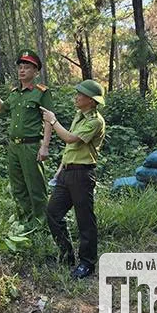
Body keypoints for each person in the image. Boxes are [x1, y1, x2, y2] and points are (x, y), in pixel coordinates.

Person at [39, 79, 106, 279]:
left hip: (82, 174)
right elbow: (70, 149)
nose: (76, 97)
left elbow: (69, 139)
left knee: (85, 219)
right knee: (53, 212)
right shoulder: (79, 115)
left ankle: (87, 263)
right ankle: (66, 254)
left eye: (81, 95)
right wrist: (61, 169)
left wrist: (53, 120)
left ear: (92, 101)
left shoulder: (95, 121)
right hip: (67, 172)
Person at [0, 49, 53, 223]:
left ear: (36, 72)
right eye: (20, 67)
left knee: (35, 186)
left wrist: (44, 146)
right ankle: (25, 221)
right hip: (14, 147)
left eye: (27, 67)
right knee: (18, 187)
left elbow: (48, 120)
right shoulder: (15, 93)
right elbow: (2, 108)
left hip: (31, 146)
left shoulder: (41, 92)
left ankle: (41, 222)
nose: (22, 70)